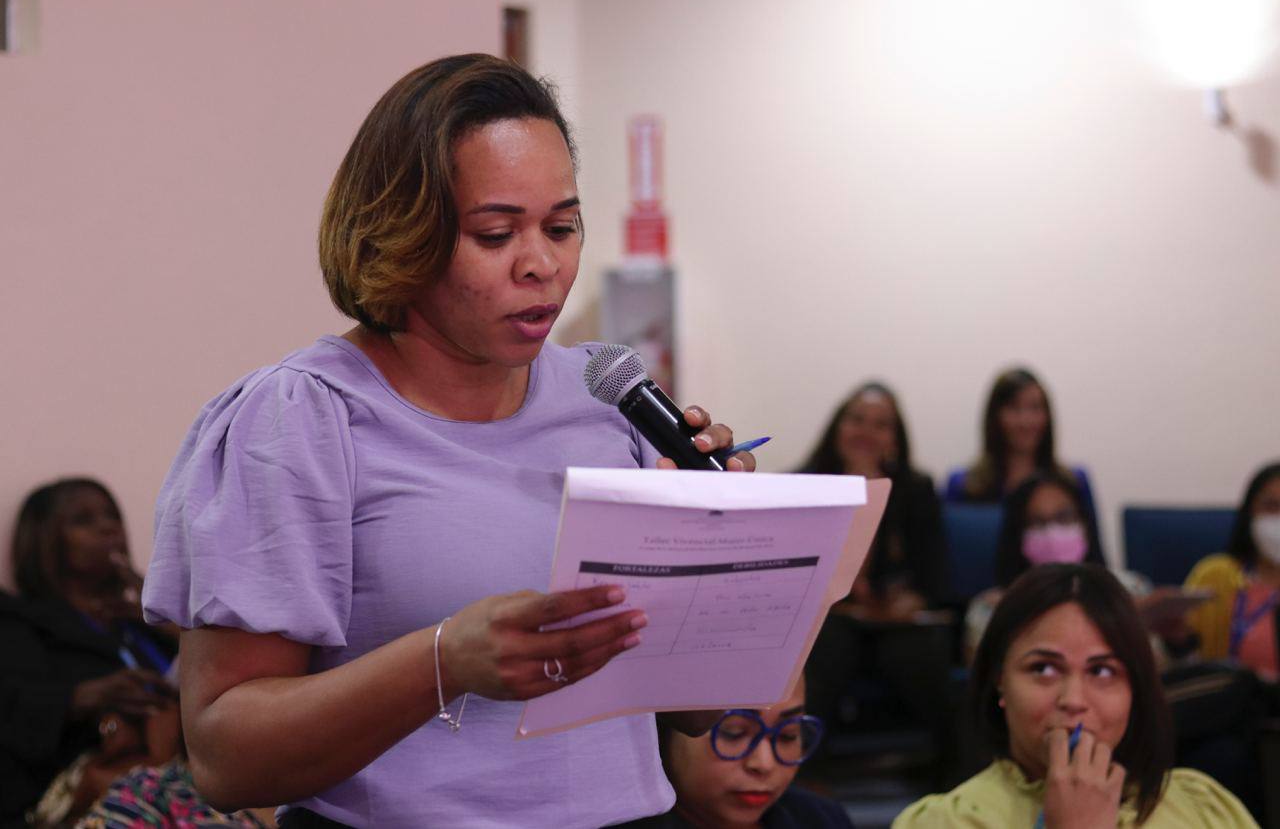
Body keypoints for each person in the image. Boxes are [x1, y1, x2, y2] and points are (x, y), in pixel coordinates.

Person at [141, 54, 756, 829]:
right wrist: (443, 660)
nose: (543, 265)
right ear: (402, 236)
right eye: (495, 234)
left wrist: (719, 559)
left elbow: (697, 712)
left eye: (562, 227)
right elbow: (228, 759)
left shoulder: (608, 397)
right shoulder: (301, 416)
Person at [894, 563, 1258, 828]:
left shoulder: (1204, 807)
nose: (1073, 699)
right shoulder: (944, 821)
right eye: (1043, 669)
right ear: (1000, 681)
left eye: (1102, 672)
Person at [0, 478, 180, 829]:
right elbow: (14, 713)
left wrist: (167, 618)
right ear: (45, 539)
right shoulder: (21, 622)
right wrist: (82, 697)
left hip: (184, 784)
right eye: (83, 520)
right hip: (89, 804)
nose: (108, 527)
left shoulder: (143, 626)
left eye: (112, 516)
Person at [615, 674, 853, 829]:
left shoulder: (820, 818)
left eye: (787, 735)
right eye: (734, 733)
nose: (764, 764)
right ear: (665, 732)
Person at [798, 382, 945, 615]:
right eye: (857, 420)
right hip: (824, 614)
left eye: (881, 425)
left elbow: (932, 579)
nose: (866, 433)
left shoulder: (917, 490)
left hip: (892, 619)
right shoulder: (802, 486)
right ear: (837, 428)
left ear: (895, 439)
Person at [963, 471, 1135, 661]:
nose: (1052, 531)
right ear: (1016, 536)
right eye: (1036, 522)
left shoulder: (1131, 591)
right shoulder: (992, 609)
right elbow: (984, 675)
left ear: (1086, 524)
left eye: (1064, 517)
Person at [945, 368, 1099, 543]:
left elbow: (1095, 556)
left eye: (1035, 408)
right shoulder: (963, 485)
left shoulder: (1073, 482)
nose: (1025, 421)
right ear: (995, 417)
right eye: (1014, 408)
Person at [1185, 461, 1280, 678]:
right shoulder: (1214, 574)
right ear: (1249, 514)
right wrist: (1175, 640)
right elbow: (1181, 658)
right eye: (1271, 506)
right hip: (1221, 694)